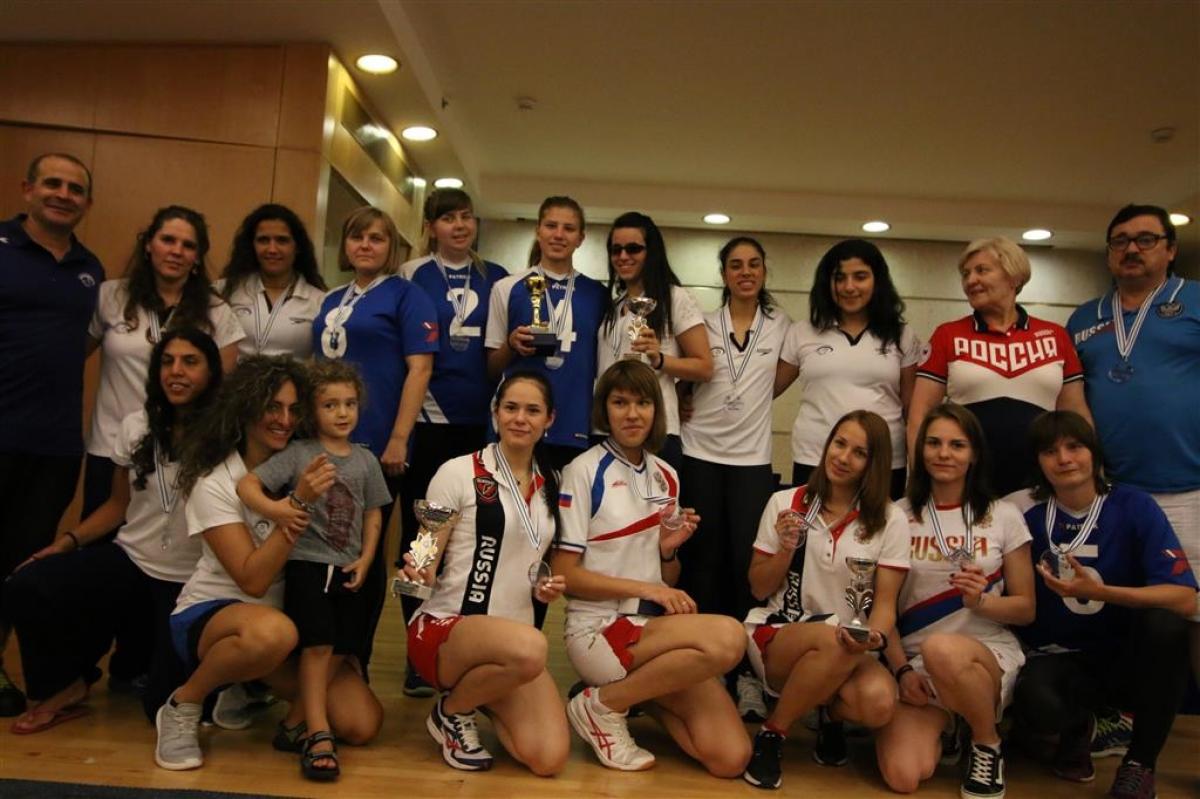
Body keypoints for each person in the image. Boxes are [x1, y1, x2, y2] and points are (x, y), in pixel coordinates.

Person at [155, 356, 382, 771]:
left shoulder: (309, 461)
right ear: (245, 408)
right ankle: (183, 704)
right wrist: (298, 504)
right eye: (272, 407)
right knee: (271, 633)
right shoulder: (216, 481)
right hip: (218, 614)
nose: (284, 419)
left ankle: (245, 687)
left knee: (360, 722)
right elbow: (253, 579)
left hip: (290, 625)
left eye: (295, 409)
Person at [5, 328, 221, 733]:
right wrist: (65, 544)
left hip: (189, 581)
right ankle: (66, 685)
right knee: (29, 583)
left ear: (211, 373)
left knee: (159, 706)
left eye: (190, 362)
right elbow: (117, 506)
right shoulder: (136, 425)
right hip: (133, 560)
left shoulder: (228, 432)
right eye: (168, 362)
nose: (176, 372)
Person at [551, 361, 750, 777]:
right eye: (619, 402)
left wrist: (667, 554)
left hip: (651, 635)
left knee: (730, 757)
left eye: (642, 403)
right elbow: (567, 576)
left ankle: (631, 696)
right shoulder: (583, 471)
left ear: (657, 411)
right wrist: (651, 590)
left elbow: (668, 580)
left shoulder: (668, 476)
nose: (632, 413)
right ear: (604, 410)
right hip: (599, 630)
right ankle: (601, 706)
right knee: (729, 636)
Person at [1013, 410, 1196, 799]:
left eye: (1074, 446)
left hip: (1124, 658)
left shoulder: (1134, 506)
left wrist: (1104, 593)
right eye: (1050, 451)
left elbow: (1184, 597)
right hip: (1060, 659)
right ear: (1038, 463)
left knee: (1167, 627)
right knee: (1036, 701)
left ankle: (1139, 764)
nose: (1063, 459)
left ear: (1093, 452)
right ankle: (1083, 727)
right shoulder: (1027, 521)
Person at [401, 371, 570, 775]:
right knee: (532, 648)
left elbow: (530, 560)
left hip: (512, 647)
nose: (520, 419)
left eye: (532, 411)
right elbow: (426, 547)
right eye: (510, 408)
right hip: (448, 629)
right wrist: (419, 567)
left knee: (548, 758)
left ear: (550, 420)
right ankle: (453, 711)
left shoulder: (553, 483)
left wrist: (543, 585)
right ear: (495, 414)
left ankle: (481, 697)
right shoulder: (457, 472)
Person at [236, 360, 390, 780]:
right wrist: (279, 509)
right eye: (330, 405)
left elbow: (374, 513)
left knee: (340, 651)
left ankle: (293, 723)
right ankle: (318, 733)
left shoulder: (365, 460)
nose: (342, 413)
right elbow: (247, 484)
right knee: (317, 648)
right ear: (311, 411)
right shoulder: (299, 454)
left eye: (350, 404)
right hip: (309, 567)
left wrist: (367, 557)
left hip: (351, 571)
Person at [1065, 204, 1200, 685]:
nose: (1132, 249)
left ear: (1169, 249)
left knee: (1192, 612)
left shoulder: (1196, 302)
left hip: (1188, 487)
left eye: (1145, 239)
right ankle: (1117, 713)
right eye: (1120, 240)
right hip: (1112, 492)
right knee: (1112, 608)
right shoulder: (1084, 318)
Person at [742, 410, 910, 790]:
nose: (843, 457)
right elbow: (757, 587)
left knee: (880, 703)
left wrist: (875, 638)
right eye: (839, 443)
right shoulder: (786, 502)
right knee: (833, 637)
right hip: (782, 634)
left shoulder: (890, 519)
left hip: (849, 646)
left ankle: (828, 716)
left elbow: (884, 607)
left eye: (859, 452)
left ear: (875, 463)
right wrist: (785, 549)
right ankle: (773, 735)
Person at [875, 404, 1035, 799]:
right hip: (916, 663)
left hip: (985, 654)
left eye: (957, 445)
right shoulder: (897, 515)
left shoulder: (1004, 515)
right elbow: (883, 609)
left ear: (974, 453)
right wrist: (900, 672)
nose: (943, 454)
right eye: (933, 443)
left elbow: (1026, 609)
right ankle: (953, 724)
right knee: (903, 776)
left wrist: (981, 602)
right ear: (920, 450)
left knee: (942, 649)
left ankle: (987, 743)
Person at [0, 152, 104, 716]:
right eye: (53, 184)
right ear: (27, 189)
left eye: (75, 189)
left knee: (22, 561)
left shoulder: (91, 269)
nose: (63, 194)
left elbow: (80, 346)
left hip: (55, 444)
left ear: (87, 203)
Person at [313, 206, 438, 671]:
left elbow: (419, 368)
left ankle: (379, 657)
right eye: (357, 237)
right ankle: (328, 654)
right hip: (331, 445)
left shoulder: (408, 296)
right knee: (334, 549)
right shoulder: (331, 299)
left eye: (377, 238)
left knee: (391, 549)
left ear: (392, 248)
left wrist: (399, 437)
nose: (366, 245)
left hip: (381, 446)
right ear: (345, 245)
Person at [399, 188, 508, 696]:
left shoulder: (500, 278)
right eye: (448, 219)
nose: (460, 226)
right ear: (431, 226)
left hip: (481, 424)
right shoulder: (411, 273)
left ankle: (464, 644)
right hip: (426, 421)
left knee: (472, 540)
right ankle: (413, 645)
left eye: (467, 216)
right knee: (422, 537)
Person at [676, 236, 790, 719]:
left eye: (754, 264)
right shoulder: (703, 321)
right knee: (702, 561)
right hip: (699, 452)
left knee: (745, 566)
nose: (745, 272)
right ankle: (700, 669)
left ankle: (745, 674)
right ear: (723, 274)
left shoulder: (783, 326)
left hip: (750, 460)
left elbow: (777, 382)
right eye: (736, 265)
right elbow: (688, 375)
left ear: (764, 271)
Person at [84, 205, 243, 519]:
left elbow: (219, 392)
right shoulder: (110, 296)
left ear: (197, 257)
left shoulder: (217, 312)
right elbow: (68, 358)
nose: (176, 251)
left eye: (188, 246)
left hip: (178, 454)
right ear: (148, 245)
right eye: (167, 240)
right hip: (111, 445)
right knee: (99, 548)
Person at [908, 237, 1091, 496]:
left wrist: (1090, 475)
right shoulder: (947, 335)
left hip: (1041, 482)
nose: (970, 281)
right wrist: (920, 481)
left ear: (1014, 277)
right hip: (967, 483)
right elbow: (921, 413)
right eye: (966, 274)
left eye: (981, 270)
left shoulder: (1056, 336)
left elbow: (1076, 413)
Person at [777, 239, 921, 499]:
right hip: (816, 457)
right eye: (839, 278)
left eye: (860, 277)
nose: (849, 287)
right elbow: (765, 388)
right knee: (813, 538)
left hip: (883, 462)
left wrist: (919, 473)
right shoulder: (802, 332)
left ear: (878, 281)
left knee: (878, 538)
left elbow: (913, 410)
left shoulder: (902, 335)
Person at [485, 195, 607, 472]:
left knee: (564, 511)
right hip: (519, 424)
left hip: (575, 424)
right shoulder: (507, 287)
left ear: (581, 238)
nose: (559, 235)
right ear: (537, 230)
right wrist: (511, 344)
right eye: (551, 226)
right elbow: (492, 369)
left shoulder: (598, 294)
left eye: (569, 228)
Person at [595, 211, 712, 468]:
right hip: (608, 429)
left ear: (652, 252)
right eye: (616, 250)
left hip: (655, 430)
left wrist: (660, 360)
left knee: (655, 510)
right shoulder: (612, 306)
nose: (623, 256)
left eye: (633, 248)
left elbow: (704, 367)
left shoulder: (677, 298)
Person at [218, 203, 327, 359]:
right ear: (252, 245)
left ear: (297, 247)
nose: (272, 249)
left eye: (282, 240)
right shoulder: (225, 291)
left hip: (294, 383)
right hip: (235, 382)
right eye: (263, 240)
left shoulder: (320, 301)